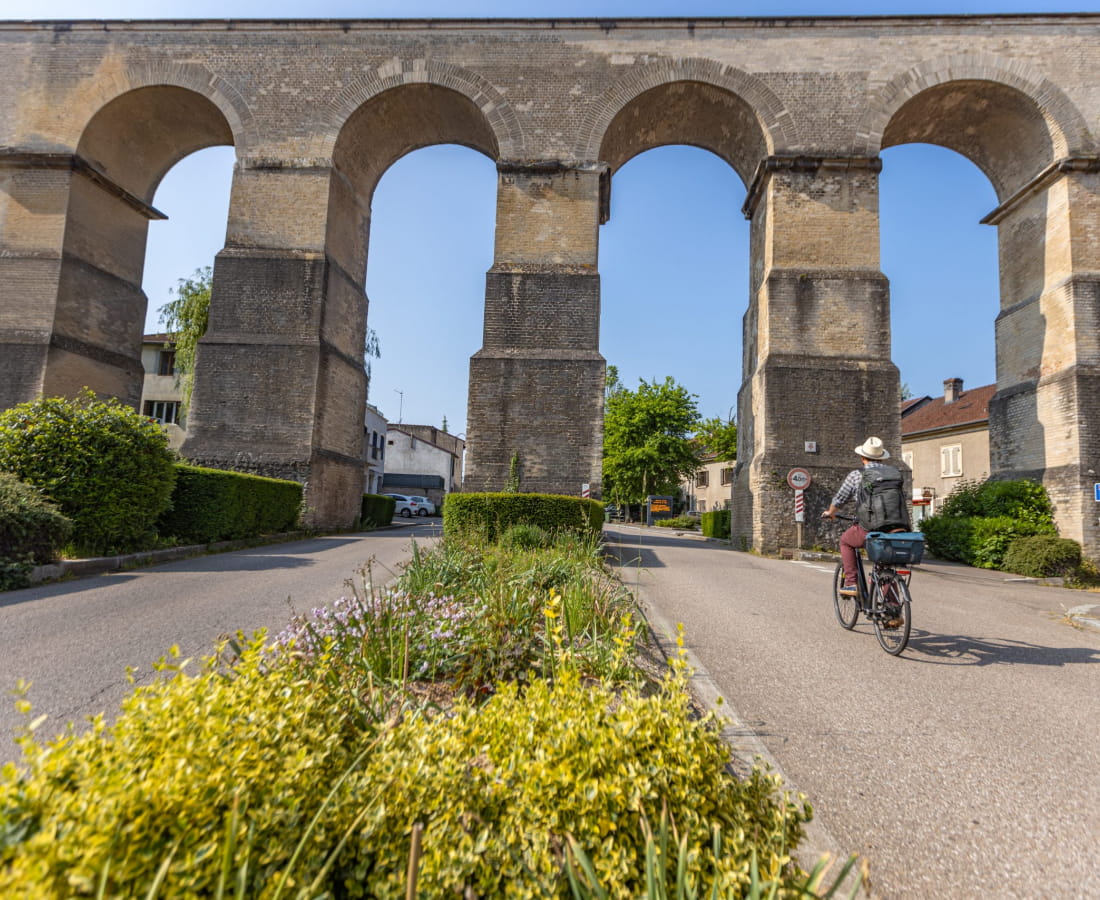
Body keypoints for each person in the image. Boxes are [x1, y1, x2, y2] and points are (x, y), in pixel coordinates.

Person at [821, 436, 892, 598]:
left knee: (846, 541)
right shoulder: (893, 475)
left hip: (869, 527)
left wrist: (830, 513)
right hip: (894, 528)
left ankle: (851, 583)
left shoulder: (857, 475)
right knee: (885, 566)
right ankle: (893, 610)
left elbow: (840, 499)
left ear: (862, 457)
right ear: (881, 458)